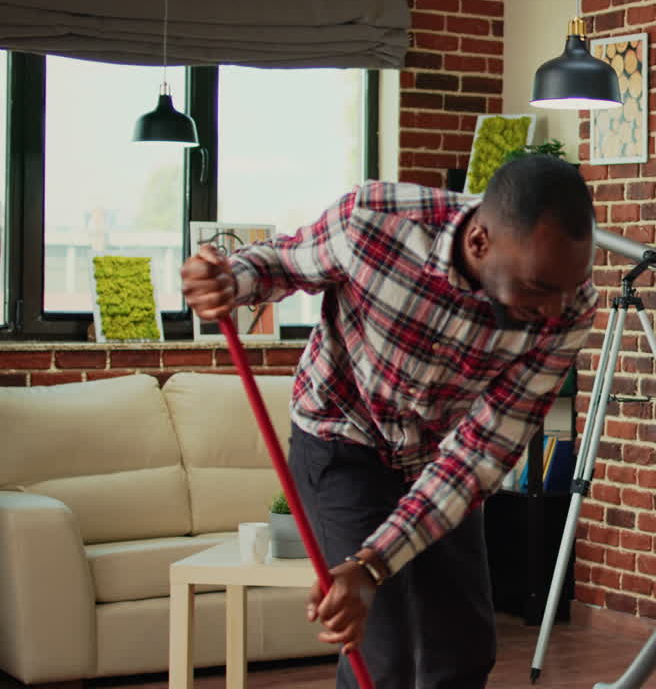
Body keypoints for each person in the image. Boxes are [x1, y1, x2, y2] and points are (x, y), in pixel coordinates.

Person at [180, 155, 598, 689]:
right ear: (479, 242)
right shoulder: (374, 222)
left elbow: (481, 456)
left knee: (464, 649)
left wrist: (374, 564)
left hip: (439, 455)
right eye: (539, 287)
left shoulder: (569, 310)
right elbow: (279, 263)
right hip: (341, 436)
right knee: (382, 656)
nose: (556, 308)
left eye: (570, 287)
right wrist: (228, 281)